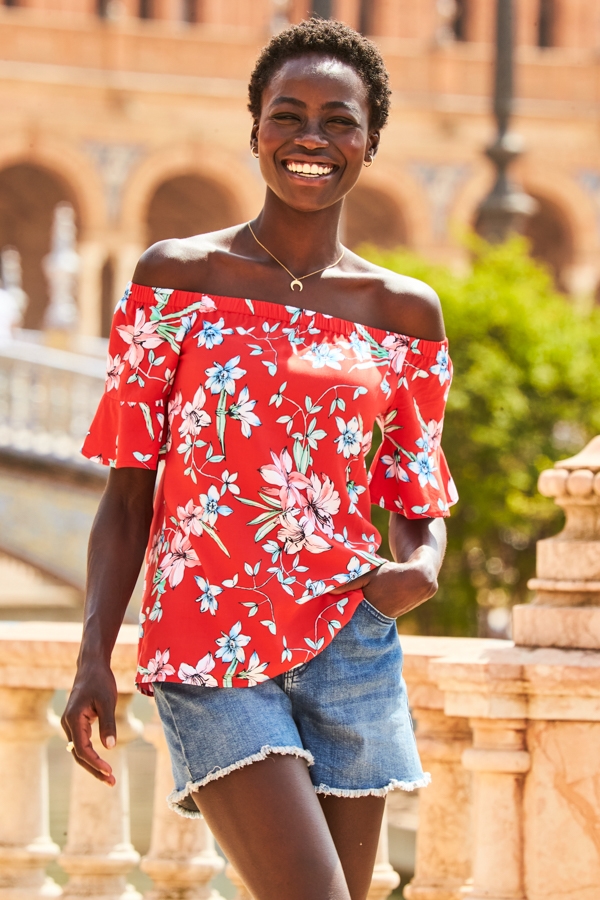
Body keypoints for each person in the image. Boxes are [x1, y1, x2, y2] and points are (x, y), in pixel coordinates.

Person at [62, 19, 457, 900]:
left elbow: (416, 488)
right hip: (209, 641)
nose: (312, 137)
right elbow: (127, 495)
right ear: (255, 133)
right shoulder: (177, 279)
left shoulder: (404, 312)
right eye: (289, 115)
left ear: (370, 143)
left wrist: (420, 567)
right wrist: (94, 654)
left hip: (351, 640)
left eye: (339, 121)